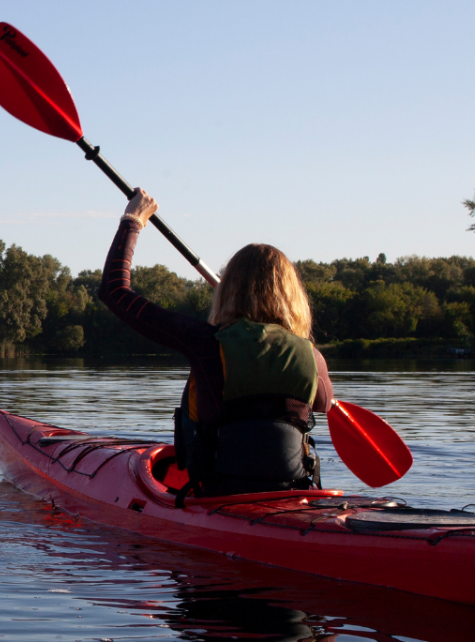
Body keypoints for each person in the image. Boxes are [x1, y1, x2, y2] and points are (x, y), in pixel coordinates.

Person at [99, 189, 334, 497]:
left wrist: (133, 220)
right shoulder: (312, 357)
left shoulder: (205, 342)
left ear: (227, 291)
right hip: (292, 494)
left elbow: (114, 291)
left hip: (219, 494)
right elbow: (324, 404)